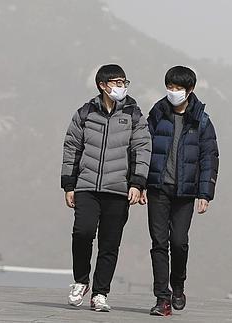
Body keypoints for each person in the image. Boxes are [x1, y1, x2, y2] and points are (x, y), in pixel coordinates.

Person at [61, 64, 152, 312]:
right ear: (103, 85)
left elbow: (142, 149)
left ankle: (100, 293)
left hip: (118, 189)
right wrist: (69, 184)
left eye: (124, 82)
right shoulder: (85, 113)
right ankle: (81, 281)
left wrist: (137, 183)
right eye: (117, 82)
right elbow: (71, 148)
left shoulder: (134, 115)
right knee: (82, 232)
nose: (121, 87)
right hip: (86, 186)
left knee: (110, 243)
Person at [145, 66, 219, 316]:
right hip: (158, 188)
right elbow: (144, 149)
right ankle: (161, 298)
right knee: (158, 243)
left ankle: (178, 286)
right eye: (170, 87)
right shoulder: (157, 113)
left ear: (190, 90)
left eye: (178, 88)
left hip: (185, 192)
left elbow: (209, 156)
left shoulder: (202, 120)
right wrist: (140, 182)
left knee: (179, 242)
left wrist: (205, 193)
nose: (173, 92)